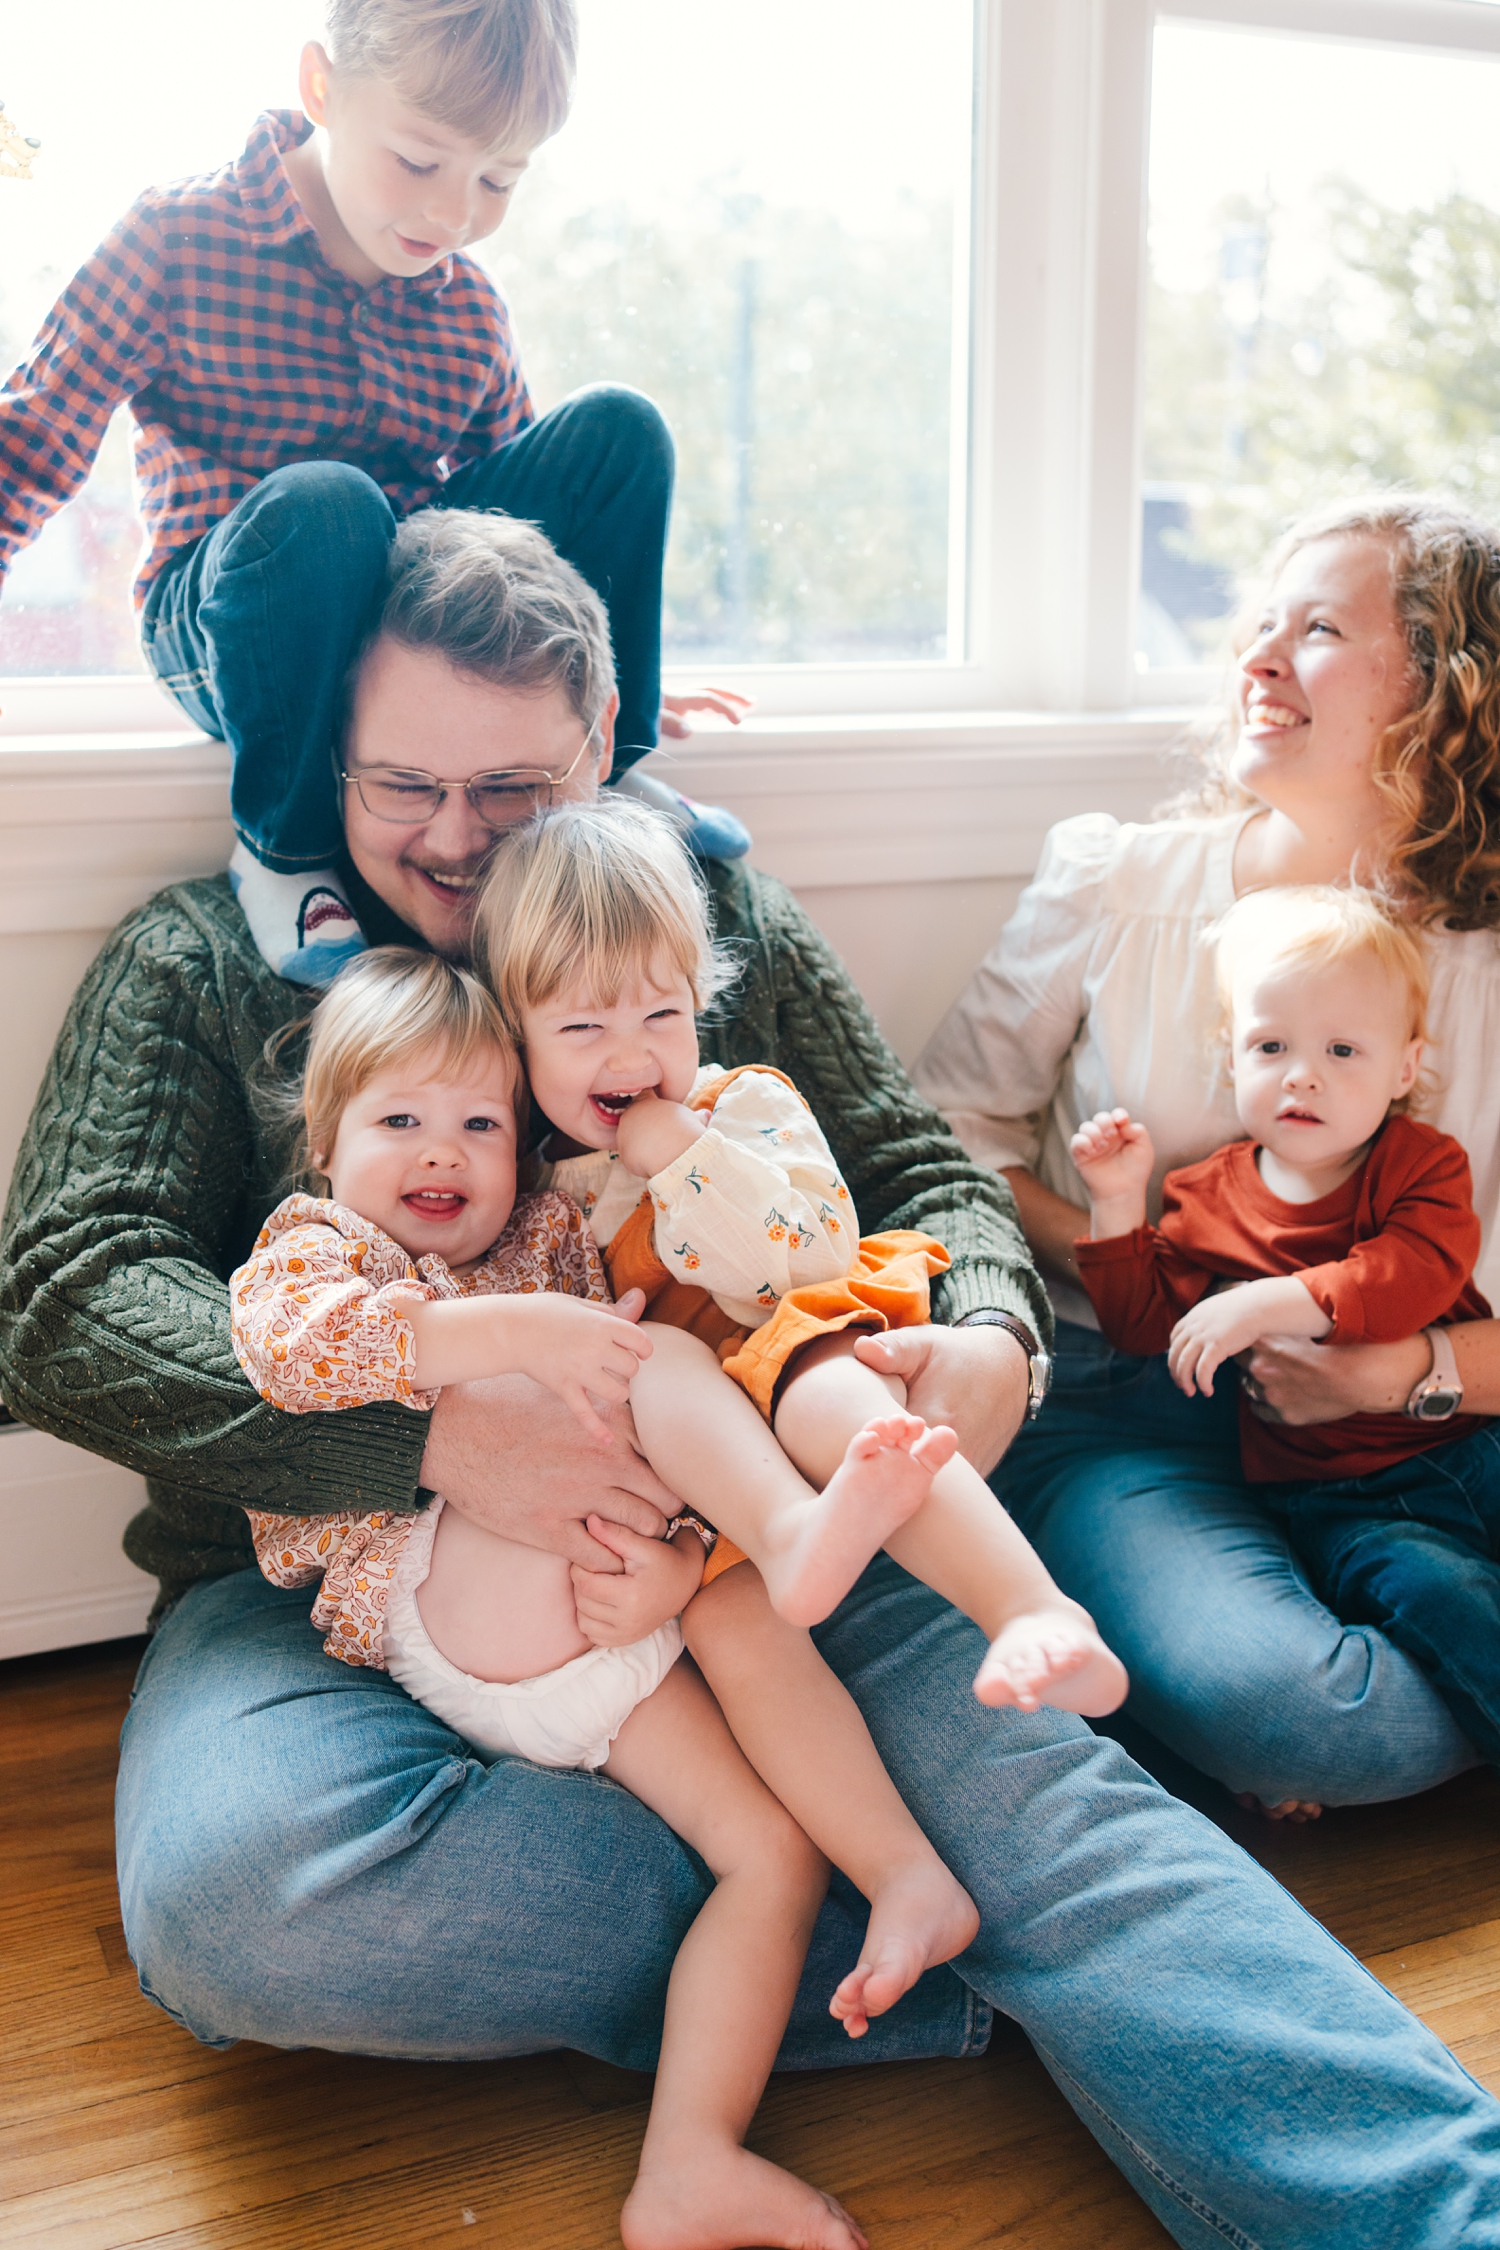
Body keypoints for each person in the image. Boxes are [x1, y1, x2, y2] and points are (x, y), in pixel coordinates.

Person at [6, 507, 1500, 2249]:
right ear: (327, 756)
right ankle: (927, 1939)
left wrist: (990, 1342)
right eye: (403, 786)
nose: (461, 845)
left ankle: (1394, 2181)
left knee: (1042, 1806)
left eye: (517, 794)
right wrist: (433, 1440)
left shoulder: (705, 918)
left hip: (751, 1537)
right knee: (240, 1902)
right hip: (325, 1588)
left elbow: (925, 1170)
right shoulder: (198, 962)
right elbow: (63, 1301)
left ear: (605, 754)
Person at [232, 944, 877, 2249]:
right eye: (399, 1118)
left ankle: (691, 2159)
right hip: (438, 1589)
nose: (444, 1151)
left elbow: (629, 1456)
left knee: (774, 1854)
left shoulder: (549, 1237)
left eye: (478, 1122)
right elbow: (299, 1355)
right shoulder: (320, 1248)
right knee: (644, 1370)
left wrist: (672, 1560)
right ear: (328, 1141)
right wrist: (522, 1335)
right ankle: (790, 1530)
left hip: (602, 1631)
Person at [917, 492, 1500, 1824]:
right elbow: (945, 1142)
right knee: (1310, 1717)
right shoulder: (1122, 882)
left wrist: (1401, 1370)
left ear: (1448, 687)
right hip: (1131, 1405)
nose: (1258, 657)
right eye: (1257, 624)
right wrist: (1148, 1259)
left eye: (1319, 628)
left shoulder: (1481, 961)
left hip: (1424, 1426)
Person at [0, 0, 746, 991]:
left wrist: (599, 674)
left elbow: (524, 538)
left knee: (619, 429)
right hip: (235, 613)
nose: (453, 212)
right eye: (420, 161)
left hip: (397, 624)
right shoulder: (175, 239)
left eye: (497, 179)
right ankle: (285, 848)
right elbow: (33, 434)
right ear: (322, 89)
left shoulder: (469, 307)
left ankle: (609, 766)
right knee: (326, 505)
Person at [1071, 884, 1500, 1766]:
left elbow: (1416, 1276)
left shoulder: (1420, 1165)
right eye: (1272, 1046)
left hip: (1473, 1441)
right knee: (1444, 1600)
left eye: (1343, 1050)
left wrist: (1267, 1301)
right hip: (1344, 1500)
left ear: (1405, 1070)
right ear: (1233, 1062)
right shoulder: (1207, 1194)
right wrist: (1116, 1207)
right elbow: (1150, 1330)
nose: (1302, 1074)